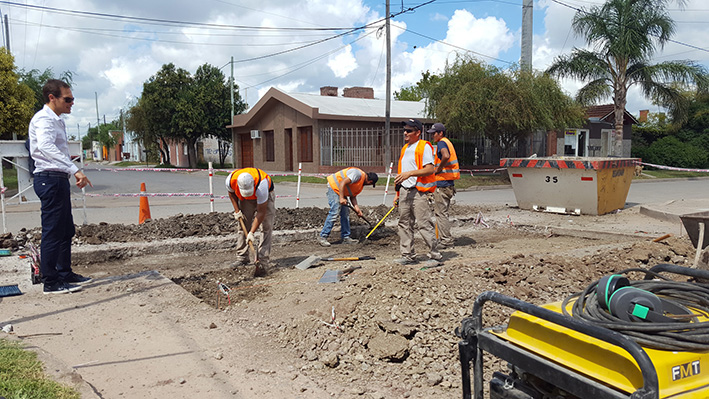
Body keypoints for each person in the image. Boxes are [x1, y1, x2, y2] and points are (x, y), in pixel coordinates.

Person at [28, 79, 93, 294]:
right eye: (68, 99)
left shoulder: (57, 120)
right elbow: (46, 147)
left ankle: (65, 273)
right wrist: (74, 169)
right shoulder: (43, 119)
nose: (71, 103)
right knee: (53, 231)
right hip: (49, 178)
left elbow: (60, 151)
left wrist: (68, 170)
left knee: (65, 230)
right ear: (52, 98)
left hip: (58, 178)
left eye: (72, 99)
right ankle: (51, 281)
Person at [393, 118, 441, 267]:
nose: (405, 133)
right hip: (404, 191)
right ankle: (408, 255)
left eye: (409, 130)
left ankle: (435, 255)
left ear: (418, 132)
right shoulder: (405, 148)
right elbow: (401, 174)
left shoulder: (424, 147)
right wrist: (397, 193)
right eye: (405, 130)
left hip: (419, 191)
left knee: (423, 223)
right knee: (404, 224)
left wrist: (410, 174)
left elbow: (429, 169)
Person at [226, 167, 276, 271]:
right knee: (243, 224)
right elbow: (231, 193)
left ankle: (262, 260)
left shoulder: (262, 186)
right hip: (245, 200)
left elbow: (261, 212)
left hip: (266, 197)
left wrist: (252, 233)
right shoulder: (230, 180)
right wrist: (237, 211)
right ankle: (242, 258)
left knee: (266, 227)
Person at [318, 168, 378, 247]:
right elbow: (342, 183)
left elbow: (352, 196)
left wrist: (357, 209)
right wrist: (342, 198)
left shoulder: (360, 183)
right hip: (334, 187)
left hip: (341, 191)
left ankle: (345, 237)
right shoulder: (357, 174)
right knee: (335, 212)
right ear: (370, 182)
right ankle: (323, 236)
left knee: (345, 214)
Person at [429, 122, 460, 249]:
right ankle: (445, 238)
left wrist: (439, 169)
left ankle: (446, 240)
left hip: (442, 183)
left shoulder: (442, 142)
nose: (432, 136)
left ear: (440, 133)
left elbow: (445, 156)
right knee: (443, 212)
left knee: (441, 213)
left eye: (434, 134)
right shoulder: (448, 142)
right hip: (448, 183)